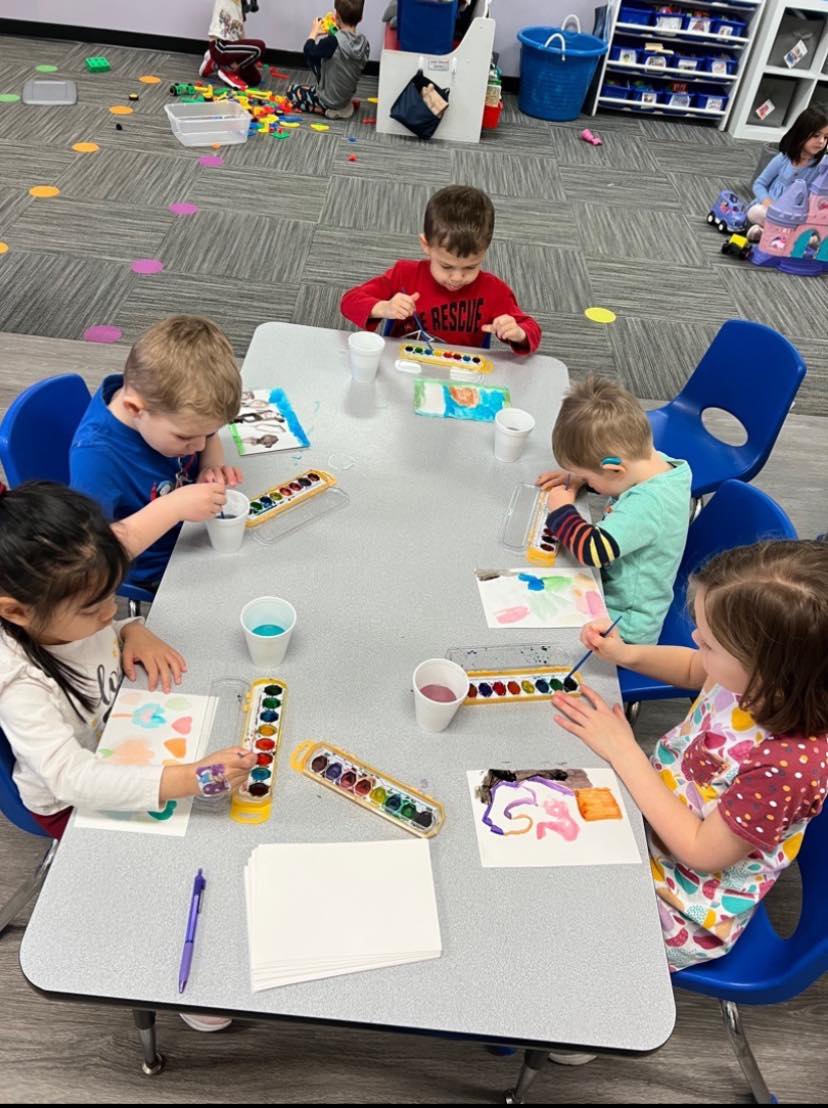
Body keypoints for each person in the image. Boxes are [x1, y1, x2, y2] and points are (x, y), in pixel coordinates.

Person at [552, 539, 828, 975]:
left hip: (683, 901)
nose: (696, 640)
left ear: (769, 671)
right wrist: (627, 654)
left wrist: (624, 751)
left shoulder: (787, 767)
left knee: (558, 921)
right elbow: (693, 667)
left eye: (711, 643)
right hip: (649, 812)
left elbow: (700, 850)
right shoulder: (748, 677)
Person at [0, 481, 256, 842]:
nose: (110, 612)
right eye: (93, 609)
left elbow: (97, 632)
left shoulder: (64, 615)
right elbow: (70, 779)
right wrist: (188, 779)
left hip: (125, 734)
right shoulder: (19, 685)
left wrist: (129, 630)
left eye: (113, 596)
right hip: (70, 803)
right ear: (16, 612)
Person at [70, 316, 243, 593]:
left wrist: (210, 466)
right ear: (135, 408)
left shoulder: (162, 405)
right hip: (157, 566)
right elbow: (92, 557)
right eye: (185, 437)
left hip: (192, 529)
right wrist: (173, 507)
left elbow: (206, 439)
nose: (200, 445)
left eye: (208, 432)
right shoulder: (96, 460)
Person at [537, 377, 691, 644]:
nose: (586, 480)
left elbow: (592, 551)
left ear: (614, 470)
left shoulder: (649, 504)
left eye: (589, 476)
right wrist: (582, 478)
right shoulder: (656, 464)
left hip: (624, 627)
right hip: (613, 592)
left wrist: (561, 510)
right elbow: (620, 482)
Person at [340, 185, 542, 352]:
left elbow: (532, 329)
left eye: (471, 267)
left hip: (461, 375)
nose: (457, 277)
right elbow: (349, 301)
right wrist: (385, 308)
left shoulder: (494, 290)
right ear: (426, 245)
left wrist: (517, 332)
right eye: (446, 266)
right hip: (404, 366)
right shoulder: (404, 275)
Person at [747, 106, 828, 242]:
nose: (821, 141)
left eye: (826, 137)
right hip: (771, 211)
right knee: (755, 212)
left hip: (799, 216)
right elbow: (759, 184)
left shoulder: (822, 165)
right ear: (801, 133)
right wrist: (770, 205)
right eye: (816, 135)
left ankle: (771, 234)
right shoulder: (782, 159)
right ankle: (790, 237)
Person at [287, 0, 369, 120]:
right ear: (361, 18)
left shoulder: (331, 43)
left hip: (328, 100)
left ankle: (325, 109)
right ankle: (343, 106)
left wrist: (314, 32)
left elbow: (308, 52)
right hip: (346, 97)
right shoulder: (364, 42)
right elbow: (343, 54)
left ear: (337, 16)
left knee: (291, 91)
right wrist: (332, 34)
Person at [200, 0, 267, 91]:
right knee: (259, 47)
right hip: (220, 47)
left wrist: (245, 55)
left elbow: (240, 32)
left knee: (255, 80)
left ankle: (216, 63)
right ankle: (227, 69)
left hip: (231, 49)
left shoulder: (240, 6)